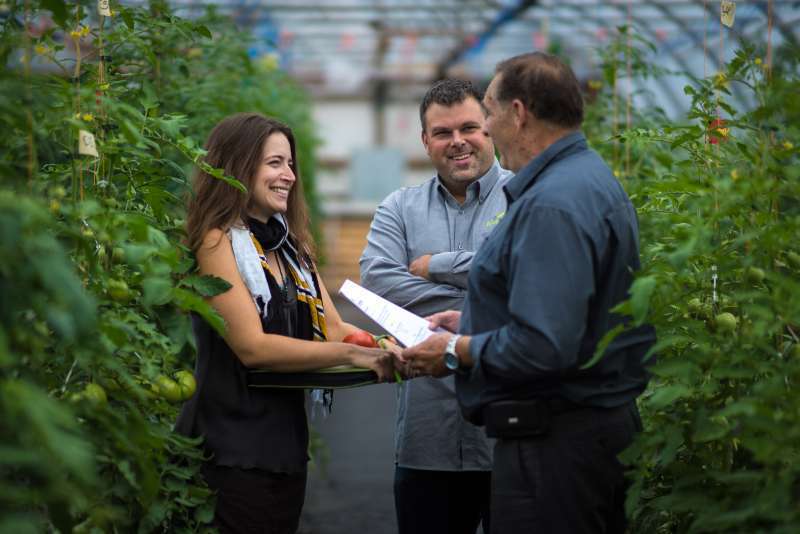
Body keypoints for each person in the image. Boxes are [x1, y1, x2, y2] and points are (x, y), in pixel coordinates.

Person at [401, 52, 656, 534]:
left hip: (558, 448)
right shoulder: (587, 179)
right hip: (588, 437)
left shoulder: (552, 204)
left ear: (518, 113)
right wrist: (479, 318)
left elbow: (544, 344)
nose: (488, 131)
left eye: (489, 115)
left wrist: (457, 350)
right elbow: (572, 312)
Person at [176, 112, 395, 534]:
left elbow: (332, 327)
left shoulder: (291, 247)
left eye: (290, 164)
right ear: (239, 166)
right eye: (274, 163)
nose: (289, 176)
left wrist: (392, 346)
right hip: (230, 449)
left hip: (285, 447)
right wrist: (354, 354)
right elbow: (252, 348)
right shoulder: (217, 241)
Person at [360, 79, 512, 534]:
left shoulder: (527, 195)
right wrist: (493, 293)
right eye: (443, 133)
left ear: (489, 129)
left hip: (510, 436)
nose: (458, 141)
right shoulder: (399, 207)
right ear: (425, 141)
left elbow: (535, 275)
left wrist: (434, 266)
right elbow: (378, 280)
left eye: (469, 127)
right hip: (428, 440)